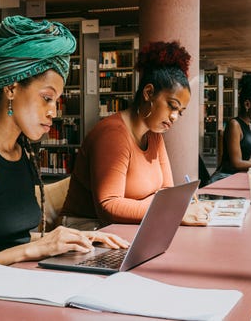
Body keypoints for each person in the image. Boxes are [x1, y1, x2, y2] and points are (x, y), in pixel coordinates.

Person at [0, 16, 129, 284]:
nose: (53, 112)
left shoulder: (22, 152)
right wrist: (27, 250)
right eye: (46, 98)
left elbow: (5, 237)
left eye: (57, 101)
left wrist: (69, 238)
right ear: (11, 88)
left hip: (18, 287)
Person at [60, 41, 212, 230]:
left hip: (128, 226)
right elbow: (109, 205)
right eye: (172, 106)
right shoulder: (113, 135)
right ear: (148, 93)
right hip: (87, 230)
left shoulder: (154, 134)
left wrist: (161, 207)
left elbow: (165, 191)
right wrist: (171, 211)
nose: (174, 117)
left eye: (180, 112)